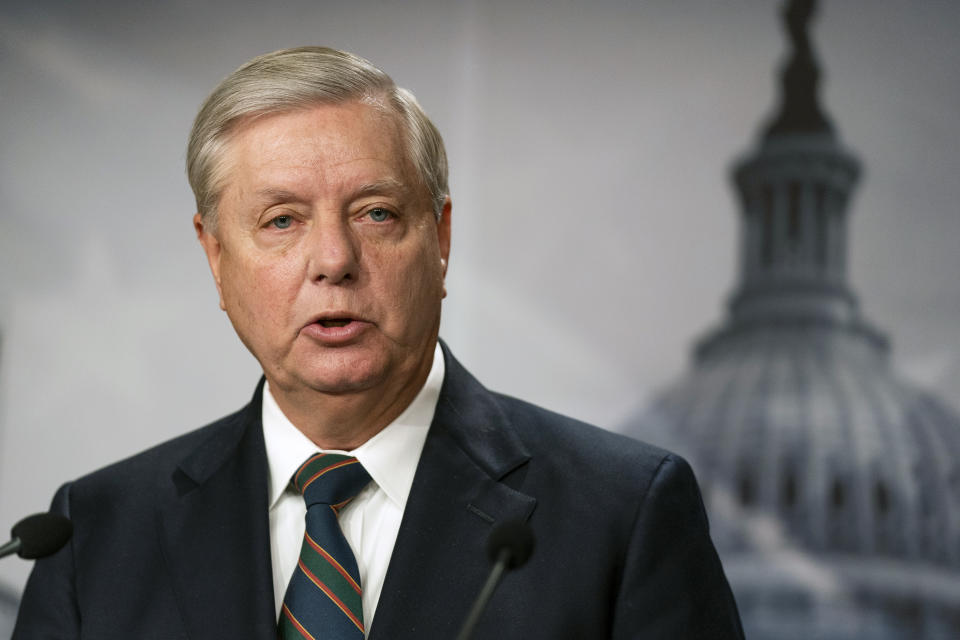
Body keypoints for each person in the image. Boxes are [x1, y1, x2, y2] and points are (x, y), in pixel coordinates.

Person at [13, 47, 743, 639]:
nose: (333, 259)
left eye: (376, 213)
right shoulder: (90, 536)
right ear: (214, 256)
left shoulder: (622, 515)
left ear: (442, 238)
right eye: (281, 221)